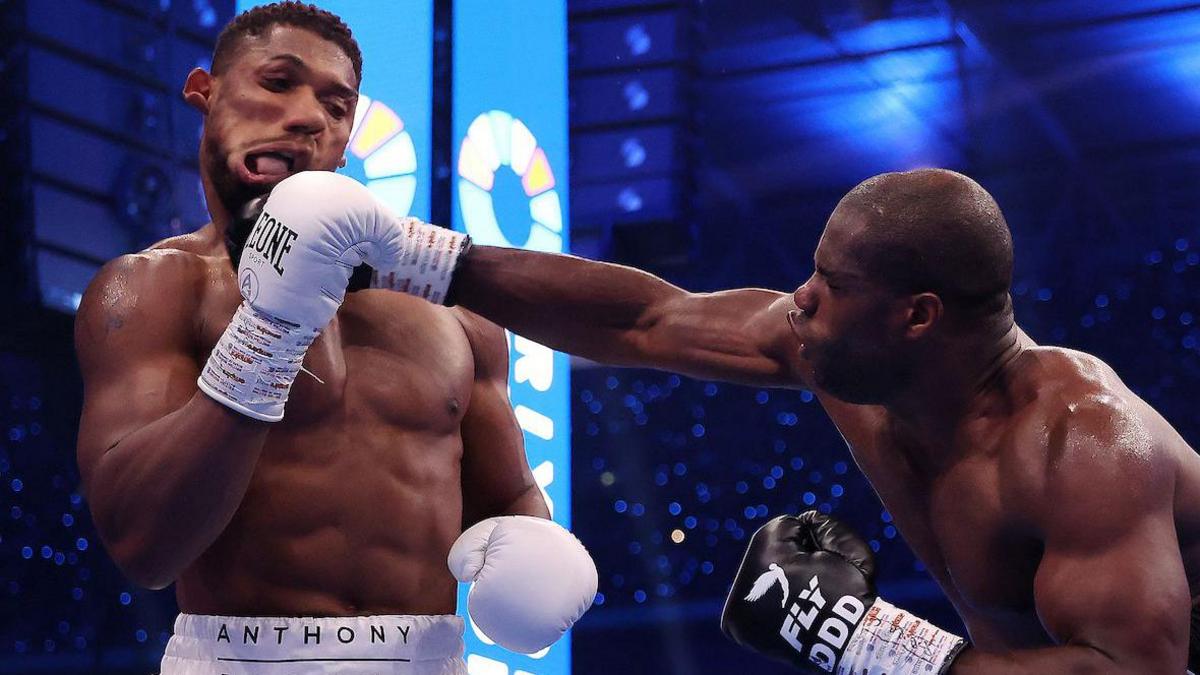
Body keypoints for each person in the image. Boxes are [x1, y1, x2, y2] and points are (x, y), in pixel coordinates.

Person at [391, 167, 1200, 671]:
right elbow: (645, 320)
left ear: (916, 316)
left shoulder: (1080, 442)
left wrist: (870, 640)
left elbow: (1136, 671)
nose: (801, 299)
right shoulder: (840, 355)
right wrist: (423, 260)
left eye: (831, 283)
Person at [73, 4, 595, 674]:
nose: (307, 115)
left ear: (346, 139)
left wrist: (537, 547)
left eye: (337, 103)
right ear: (206, 92)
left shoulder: (450, 308)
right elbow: (142, 543)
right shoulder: (154, 290)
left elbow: (509, 495)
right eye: (278, 81)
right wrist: (266, 335)